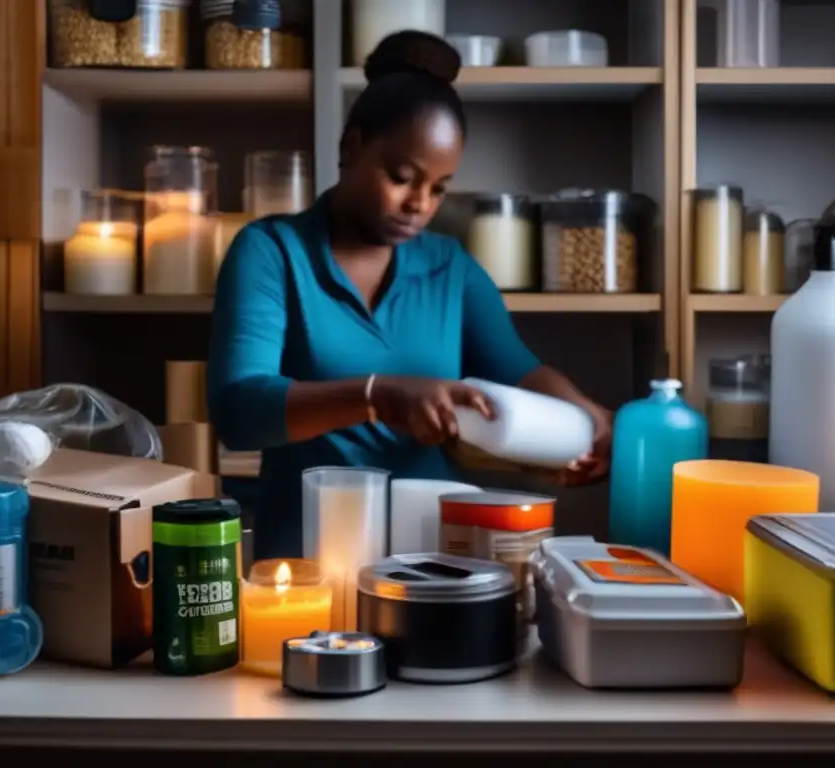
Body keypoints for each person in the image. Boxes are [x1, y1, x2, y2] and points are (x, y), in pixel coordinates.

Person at [208, 30, 613, 560]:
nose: (419, 203)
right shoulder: (272, 252)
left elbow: (519, 368)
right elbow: (239, 410)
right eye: (402, 177)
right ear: (350, 148)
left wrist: (581, 411)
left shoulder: (450, 266)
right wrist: (377, 396)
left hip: (434, 558)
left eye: (439, 187)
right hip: (308, 560)